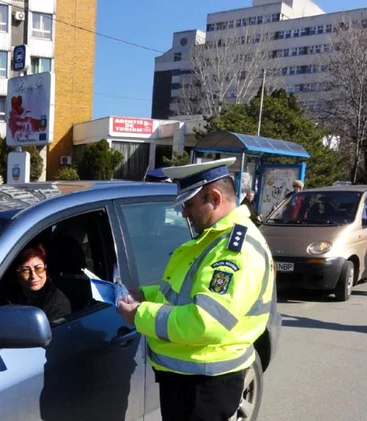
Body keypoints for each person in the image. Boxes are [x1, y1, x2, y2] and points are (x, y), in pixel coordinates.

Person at [116, 157, 275, 421]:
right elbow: (183, 294)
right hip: (191, 379)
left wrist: (139, 315)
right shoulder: (212, 239)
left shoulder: (233, 250)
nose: (184, 213)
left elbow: (205, 322)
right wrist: (147, 294)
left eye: (189, 204)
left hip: (204, 384)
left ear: (214, 198)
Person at [9, 244, 71, 322]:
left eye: (38, 269)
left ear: (45, 269)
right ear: (18, 274)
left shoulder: (57, 303)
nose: (33, 276)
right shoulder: (9, 297)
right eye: (26, 271)